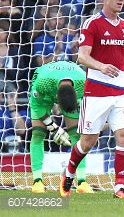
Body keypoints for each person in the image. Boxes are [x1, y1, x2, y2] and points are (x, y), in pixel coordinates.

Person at [59, 0, 124, 199]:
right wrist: (102, 66)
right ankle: (70, 172)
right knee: (88, 142)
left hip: (121, 90)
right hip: (97, 91)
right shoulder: (91, 24)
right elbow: (82, 57)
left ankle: (119, 187)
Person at [29, 61, 93, 194]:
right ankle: (37, 182)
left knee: (76, 135)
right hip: (44, 94)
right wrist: (52, 127)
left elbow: (88, 103)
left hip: (74, 93)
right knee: (38, 133)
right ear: (57, 97)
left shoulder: (83, 82)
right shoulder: (42, 83)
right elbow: (36, 105)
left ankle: (82, 182)